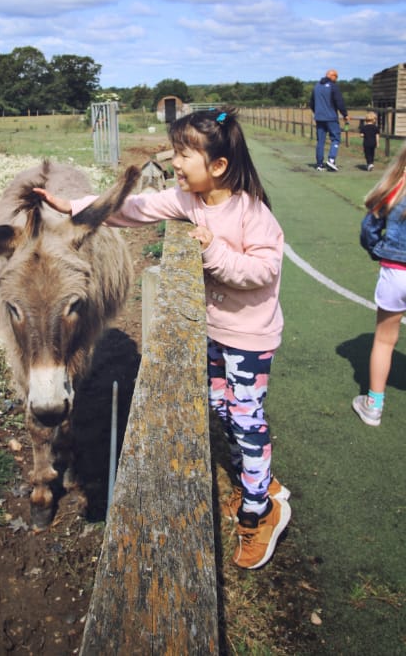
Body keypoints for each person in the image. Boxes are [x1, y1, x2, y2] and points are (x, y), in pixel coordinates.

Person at [34, 107, 291, 570]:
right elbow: (134, 209)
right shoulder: (189, 198)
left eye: (183, 153)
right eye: (174, 151)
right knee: (221, 409)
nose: (174, 162)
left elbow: (262, 271)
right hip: (217, 332)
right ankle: (260, 483)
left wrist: (211, 249)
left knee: (246, 419)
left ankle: (262, 511)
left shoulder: (253, 214)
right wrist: (73, 207)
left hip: (250, 337)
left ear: (218, 166)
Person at [355, 144, 406, 426]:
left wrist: (378, 251)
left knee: (385, 340)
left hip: (396, 273)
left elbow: (368, 230)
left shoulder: (394, 189)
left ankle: (373, 406)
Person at [309, 69, 349, 171]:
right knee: (336, 138)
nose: (336, 80)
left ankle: (319, 164)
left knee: (320, 141)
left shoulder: (316, 86)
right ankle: (331, 159)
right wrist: (345, 114)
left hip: (319, 117)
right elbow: (339, 102)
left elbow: (311, 103)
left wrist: (317, 112)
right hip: (331, 117)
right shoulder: (333, 86)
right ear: (333, 76)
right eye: (336, 77)